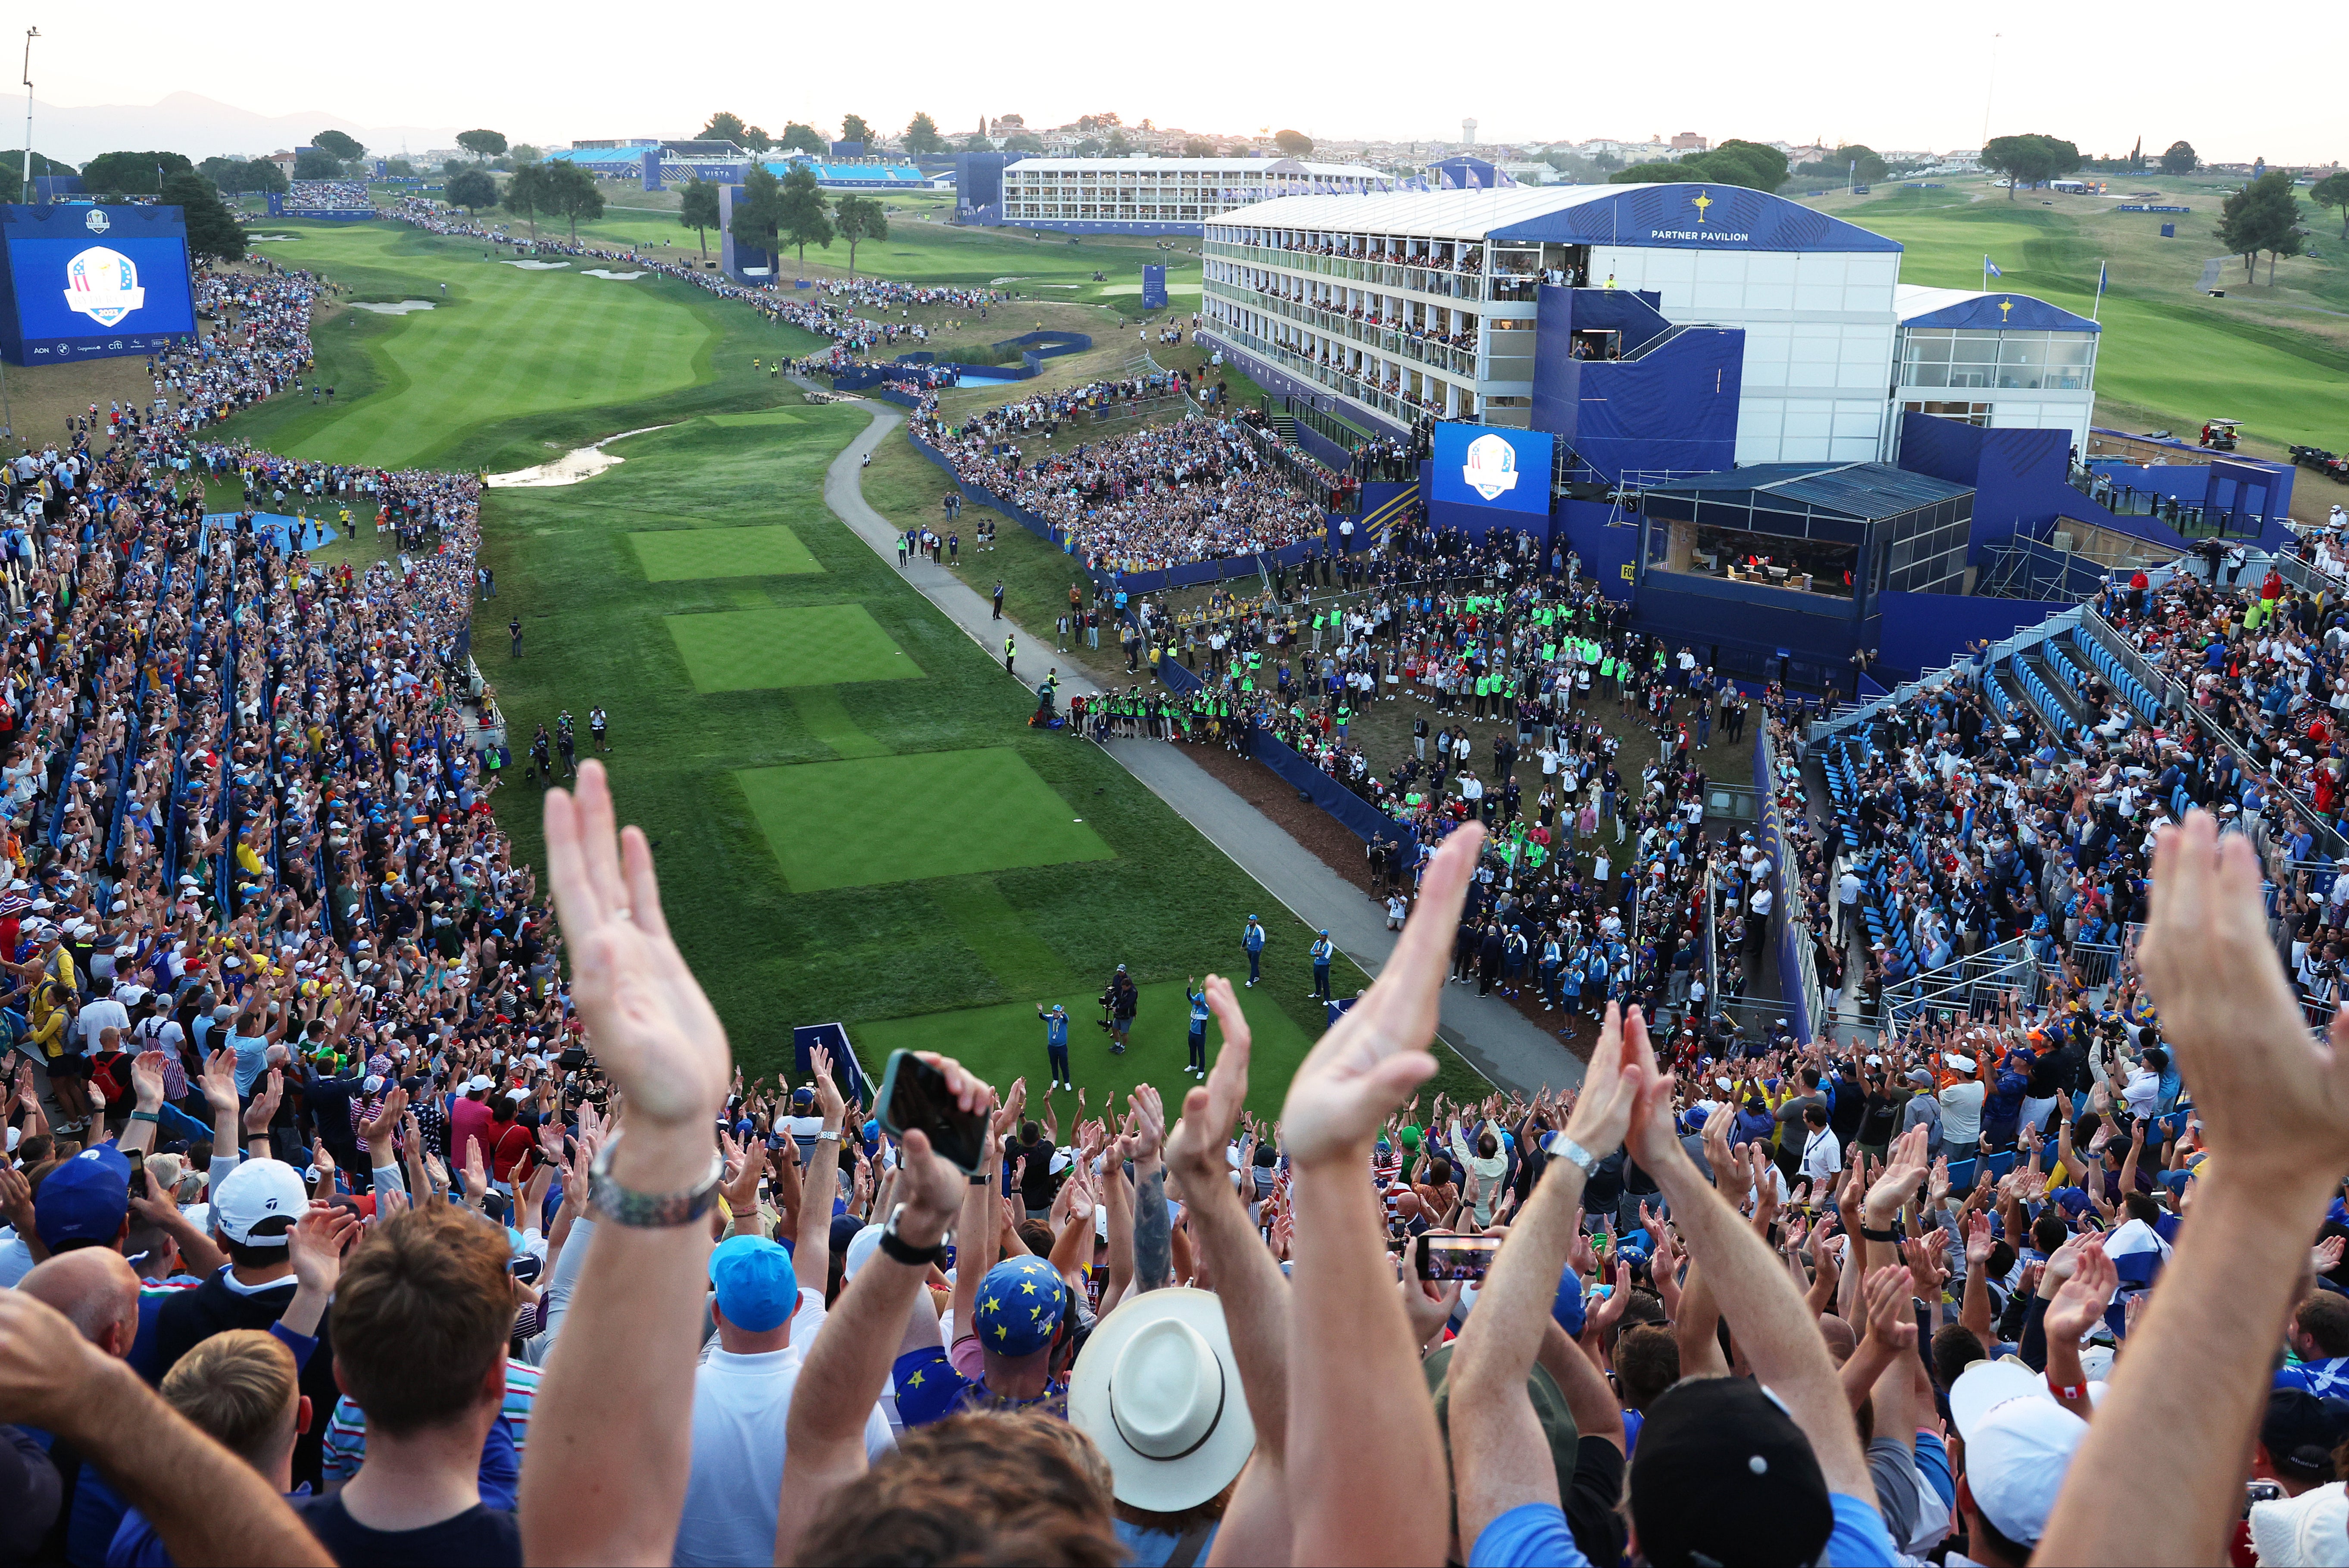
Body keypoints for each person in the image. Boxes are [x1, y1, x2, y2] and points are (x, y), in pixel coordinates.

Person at [286, 1206, 522, 1565]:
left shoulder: (267, 1542)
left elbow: (255, 1396)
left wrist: (311, 1293)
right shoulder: (538, 1554)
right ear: (499, 1377)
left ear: (342, 1378)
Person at [1037, 1003, 1072, 1090]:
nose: (1055, 1013)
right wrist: (1041, 1011)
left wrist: (1063, 1013)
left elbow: (1067, 1019)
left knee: (1064, 1065)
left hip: (1062, 1047)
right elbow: (1042, 1017)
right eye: (1054, 1011)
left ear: (1060, 1012)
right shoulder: (1050, 1018)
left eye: (1057, 1012)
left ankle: (1067, 1082)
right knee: (1054, 1064)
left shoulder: (1063, 1020)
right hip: (1052, 1047)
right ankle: (1056, 1080)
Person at [1309, 930, 1336, 1003]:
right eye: (1320, 935)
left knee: (1325, 982)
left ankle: (1327, 999)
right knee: (1317, 980)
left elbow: (1326, 958)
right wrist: (1318, 954)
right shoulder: (1317, 942)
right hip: (1317, 964)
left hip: (1324, 967)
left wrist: (1316, 953)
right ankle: (1317, 993)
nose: (1321, 937)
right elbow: (1311, 952)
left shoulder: (1329, 945)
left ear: (1326, 937)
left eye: (1322, 936)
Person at [1242, 915, 1266, 987]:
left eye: (1252, 920)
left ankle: (1251, 981)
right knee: (1253, 963)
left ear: (1255, 921)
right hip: (1249, 949)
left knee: (1253, 965)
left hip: (1256, 950)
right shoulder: (1248, 928)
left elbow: (1262, 941)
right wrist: (1243, 946)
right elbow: (1246, 936)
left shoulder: (1259, 929)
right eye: (1249, 920)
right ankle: (1257, 976)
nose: (1250, 921)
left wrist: (1259, 950)